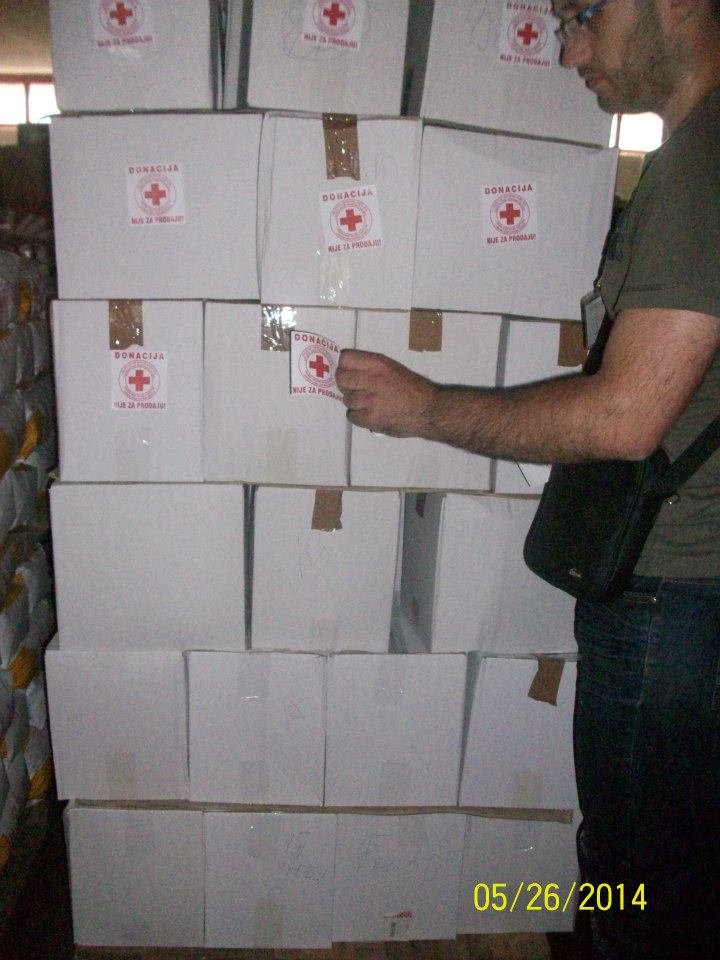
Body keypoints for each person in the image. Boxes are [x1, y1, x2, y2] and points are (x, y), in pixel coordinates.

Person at [336, 0, 720, 957]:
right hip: (686, 603)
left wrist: (427, 408)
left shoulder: (703, 166)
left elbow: (625, 417)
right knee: (667, 861)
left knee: (640, 873)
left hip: (672, 605)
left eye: (583, 14)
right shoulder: (687, 159)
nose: (569, 49)